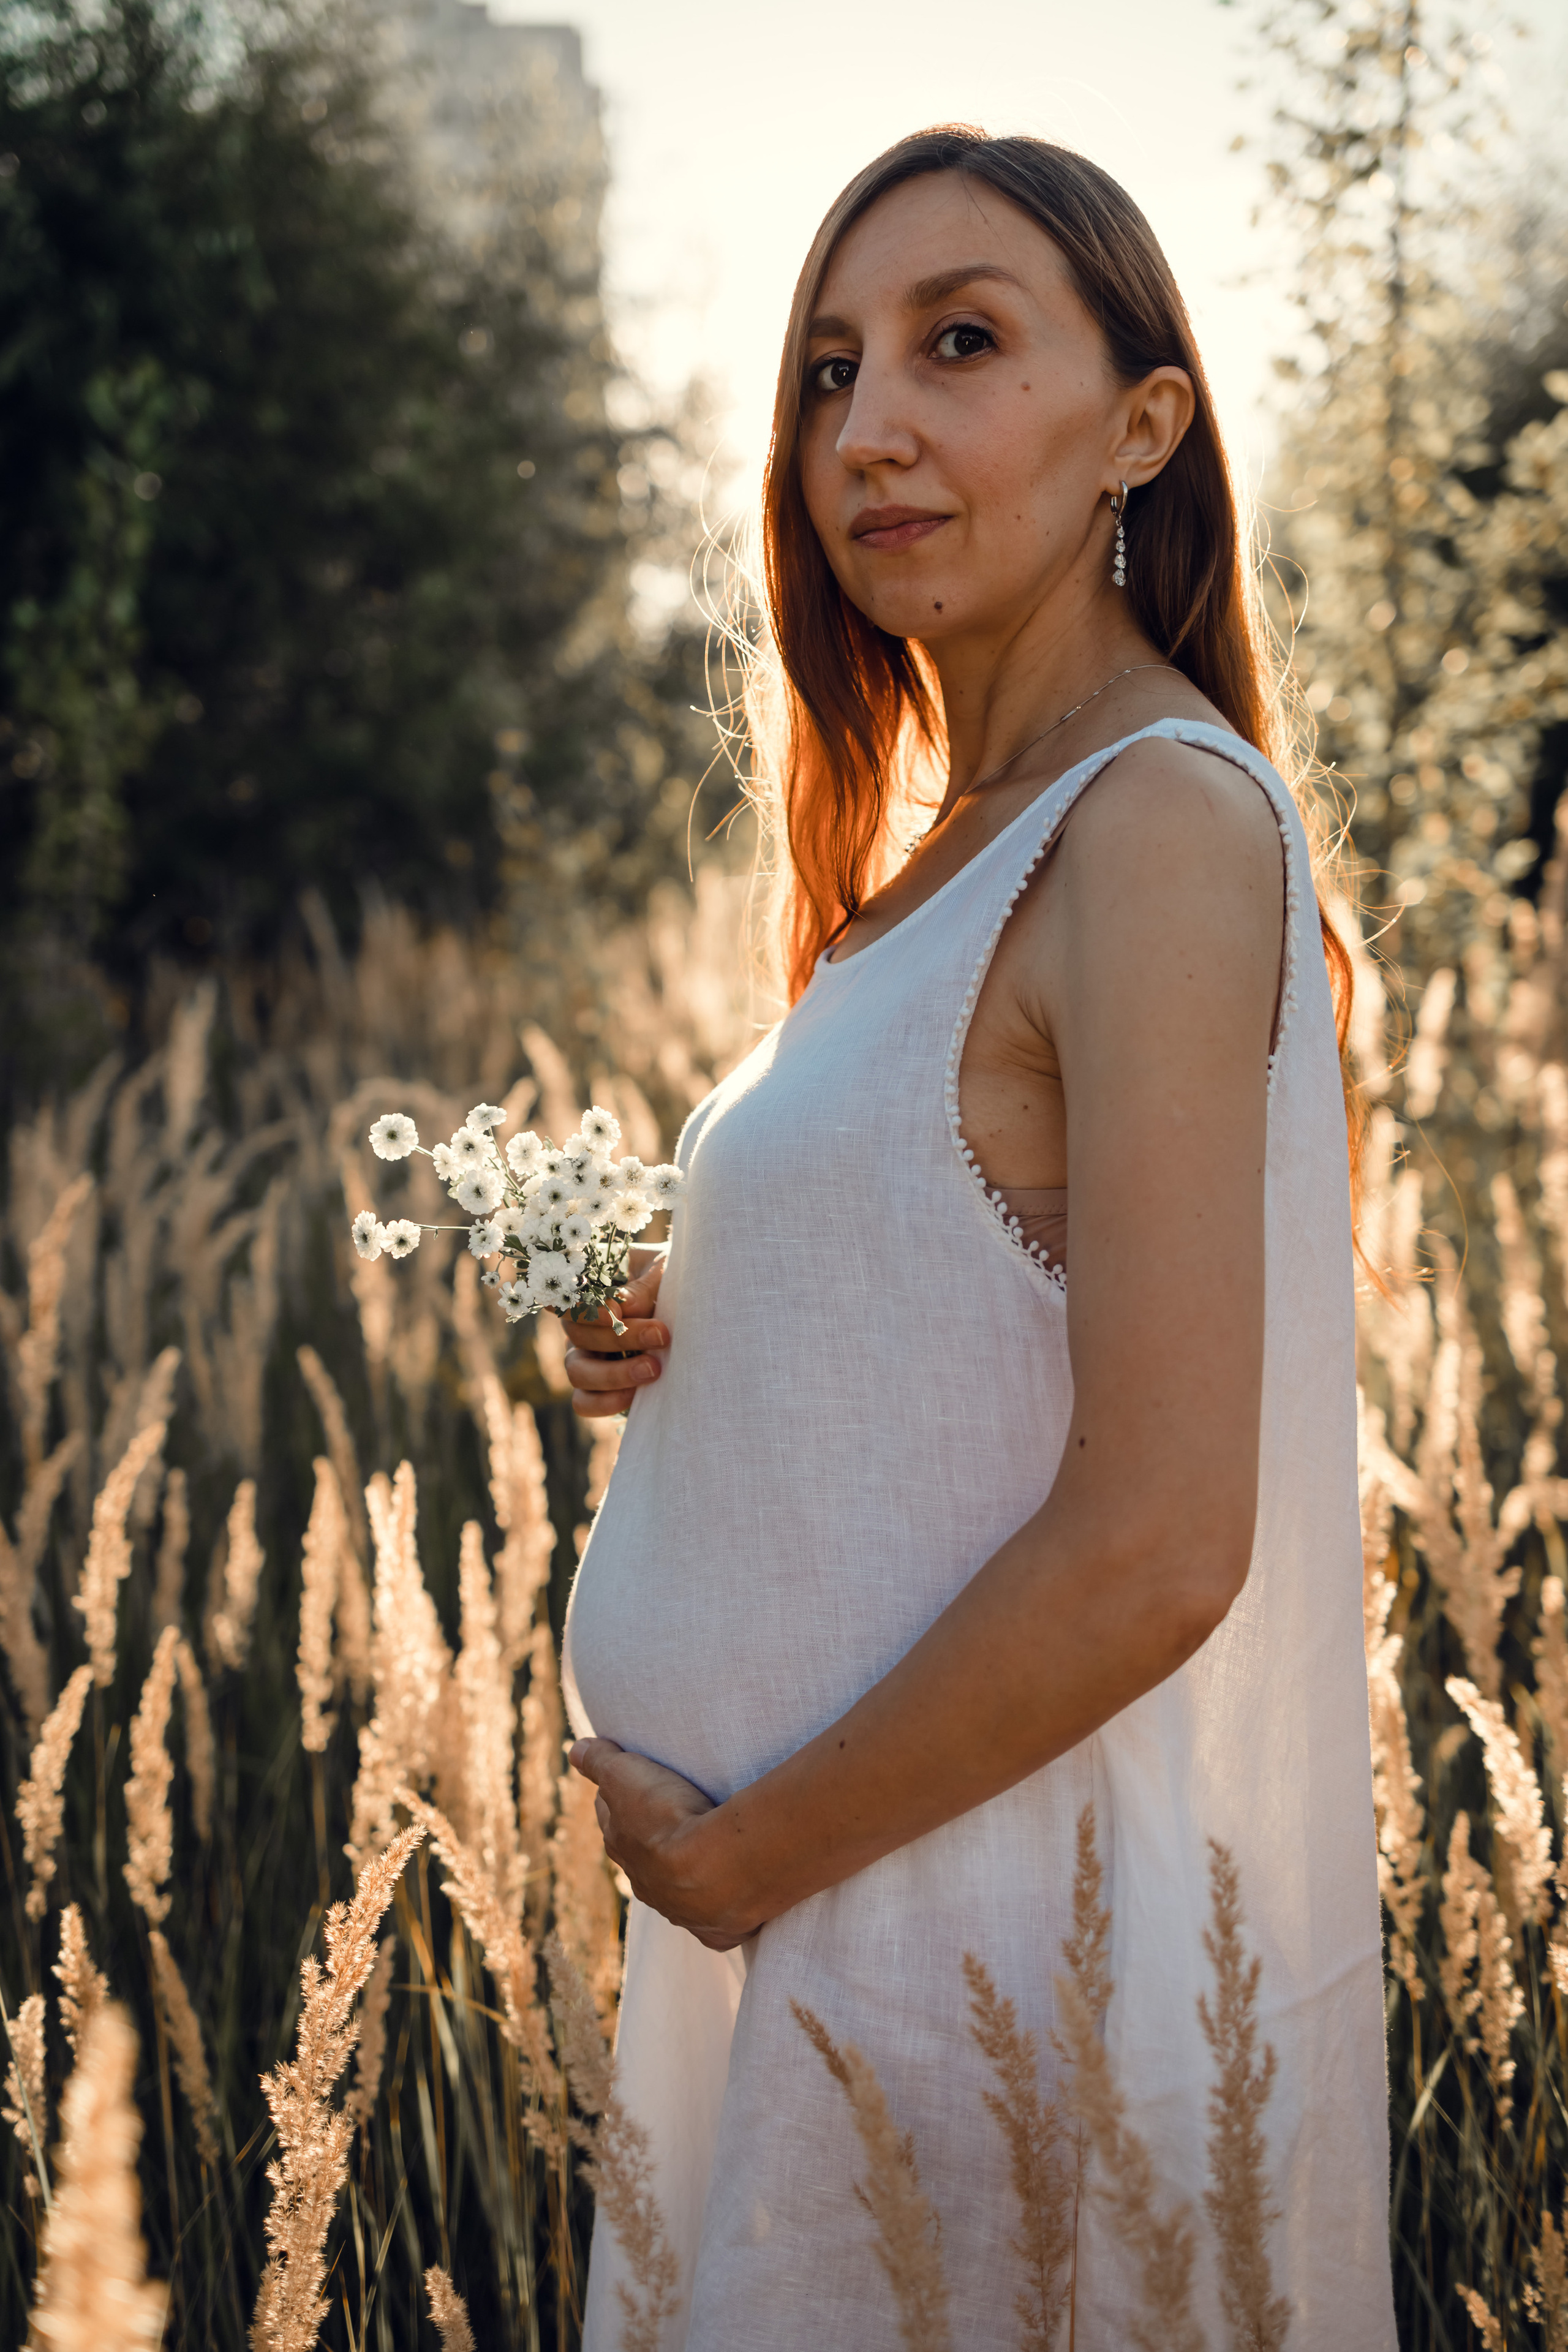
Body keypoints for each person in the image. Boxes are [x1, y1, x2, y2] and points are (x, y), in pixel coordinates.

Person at [559, 126, 1395, 2349]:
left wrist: (743, 1861)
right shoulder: (942, 859)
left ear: (1147, 419)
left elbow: (1159, 1538)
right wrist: (668, 1332)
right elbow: (955, 1320)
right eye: (832, 369)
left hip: (955, 1967)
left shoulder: (1155, 828)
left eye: (961, 342)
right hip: (836, 1952)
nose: (873, 430)